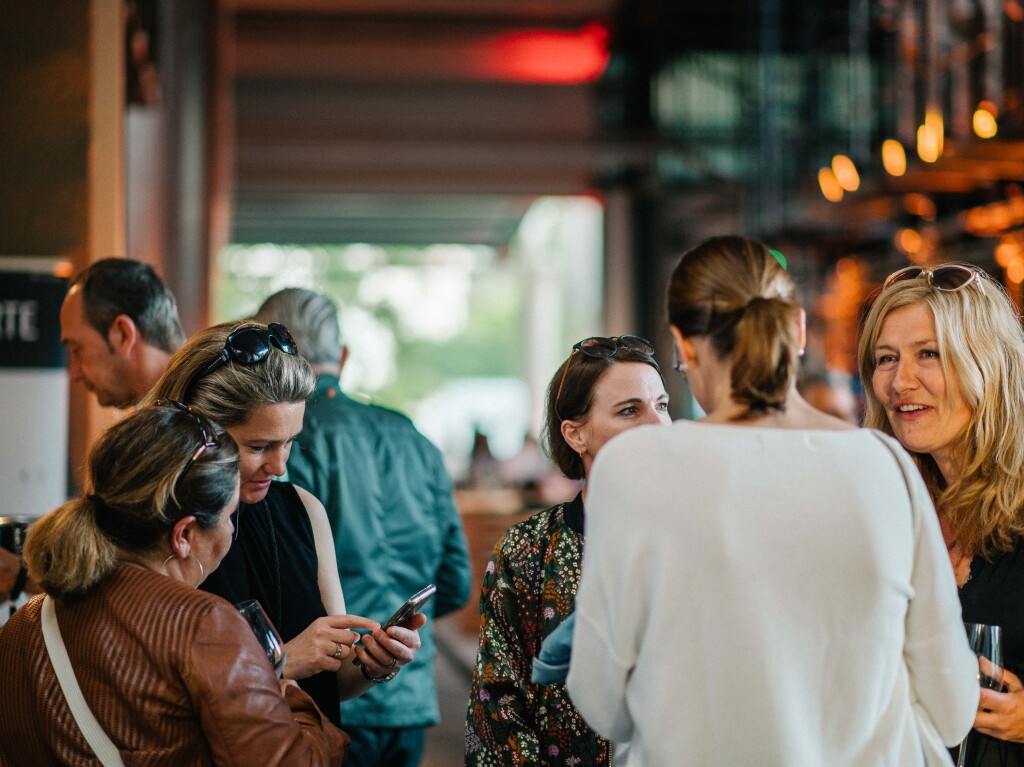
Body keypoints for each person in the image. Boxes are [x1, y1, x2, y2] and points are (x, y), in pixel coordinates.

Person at [565, 236, 979, 766]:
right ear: (800, 330)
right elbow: (950, 707)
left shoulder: (634, 467)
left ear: (685, 347)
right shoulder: (885, 463)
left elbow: (602, 702)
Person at [0, 404, 347, 764]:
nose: (232, 532)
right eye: (230, 518)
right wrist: (288, 697)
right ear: (183, 534)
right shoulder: (205, 625)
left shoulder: (18, 631)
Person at [146, 320, 424, 733]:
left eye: (290, 441)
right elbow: (151, 691)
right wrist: (281, 659)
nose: (280, 467)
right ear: (197, 431)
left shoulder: (303, 510)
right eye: (259, 447)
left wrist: (371, 664)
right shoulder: (158, 527)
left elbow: (331, 677)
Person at [254, 288, 472, 767]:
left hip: (324, 693)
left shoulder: (280, 443)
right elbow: (454, 583)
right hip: (408, 689)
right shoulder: (414, 438)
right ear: (344, 356)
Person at [465, 334, 672, 766]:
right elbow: (495, 700)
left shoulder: (698, 539)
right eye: (630, 410)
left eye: (662, 405)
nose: (657, 425)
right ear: (576, 434)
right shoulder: (528, 549)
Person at [858, 263, 1024, 766]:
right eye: (886, 358)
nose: (899, 381)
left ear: (987, 363)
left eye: (928, 354)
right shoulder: (890, 514)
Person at [59, 258, 185, 408]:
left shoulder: (203, 420)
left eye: (77, 349)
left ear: (124, 334)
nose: (74, 374)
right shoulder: (185, 413)